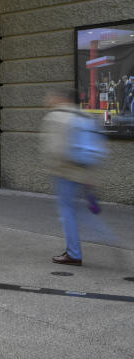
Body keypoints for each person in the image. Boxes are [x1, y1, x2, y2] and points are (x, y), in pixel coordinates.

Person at [42, 88, 108, 266]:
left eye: (52, 95)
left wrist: (53, 169)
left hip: (65, 173)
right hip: (85, 170)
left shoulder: (56, 117)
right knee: (79, 210)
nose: (49, 99)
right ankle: (104, 235)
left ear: (61, 98)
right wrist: (89, 175)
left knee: (67, 212)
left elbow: (56, 150)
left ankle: (74, 253)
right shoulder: (85, 116)